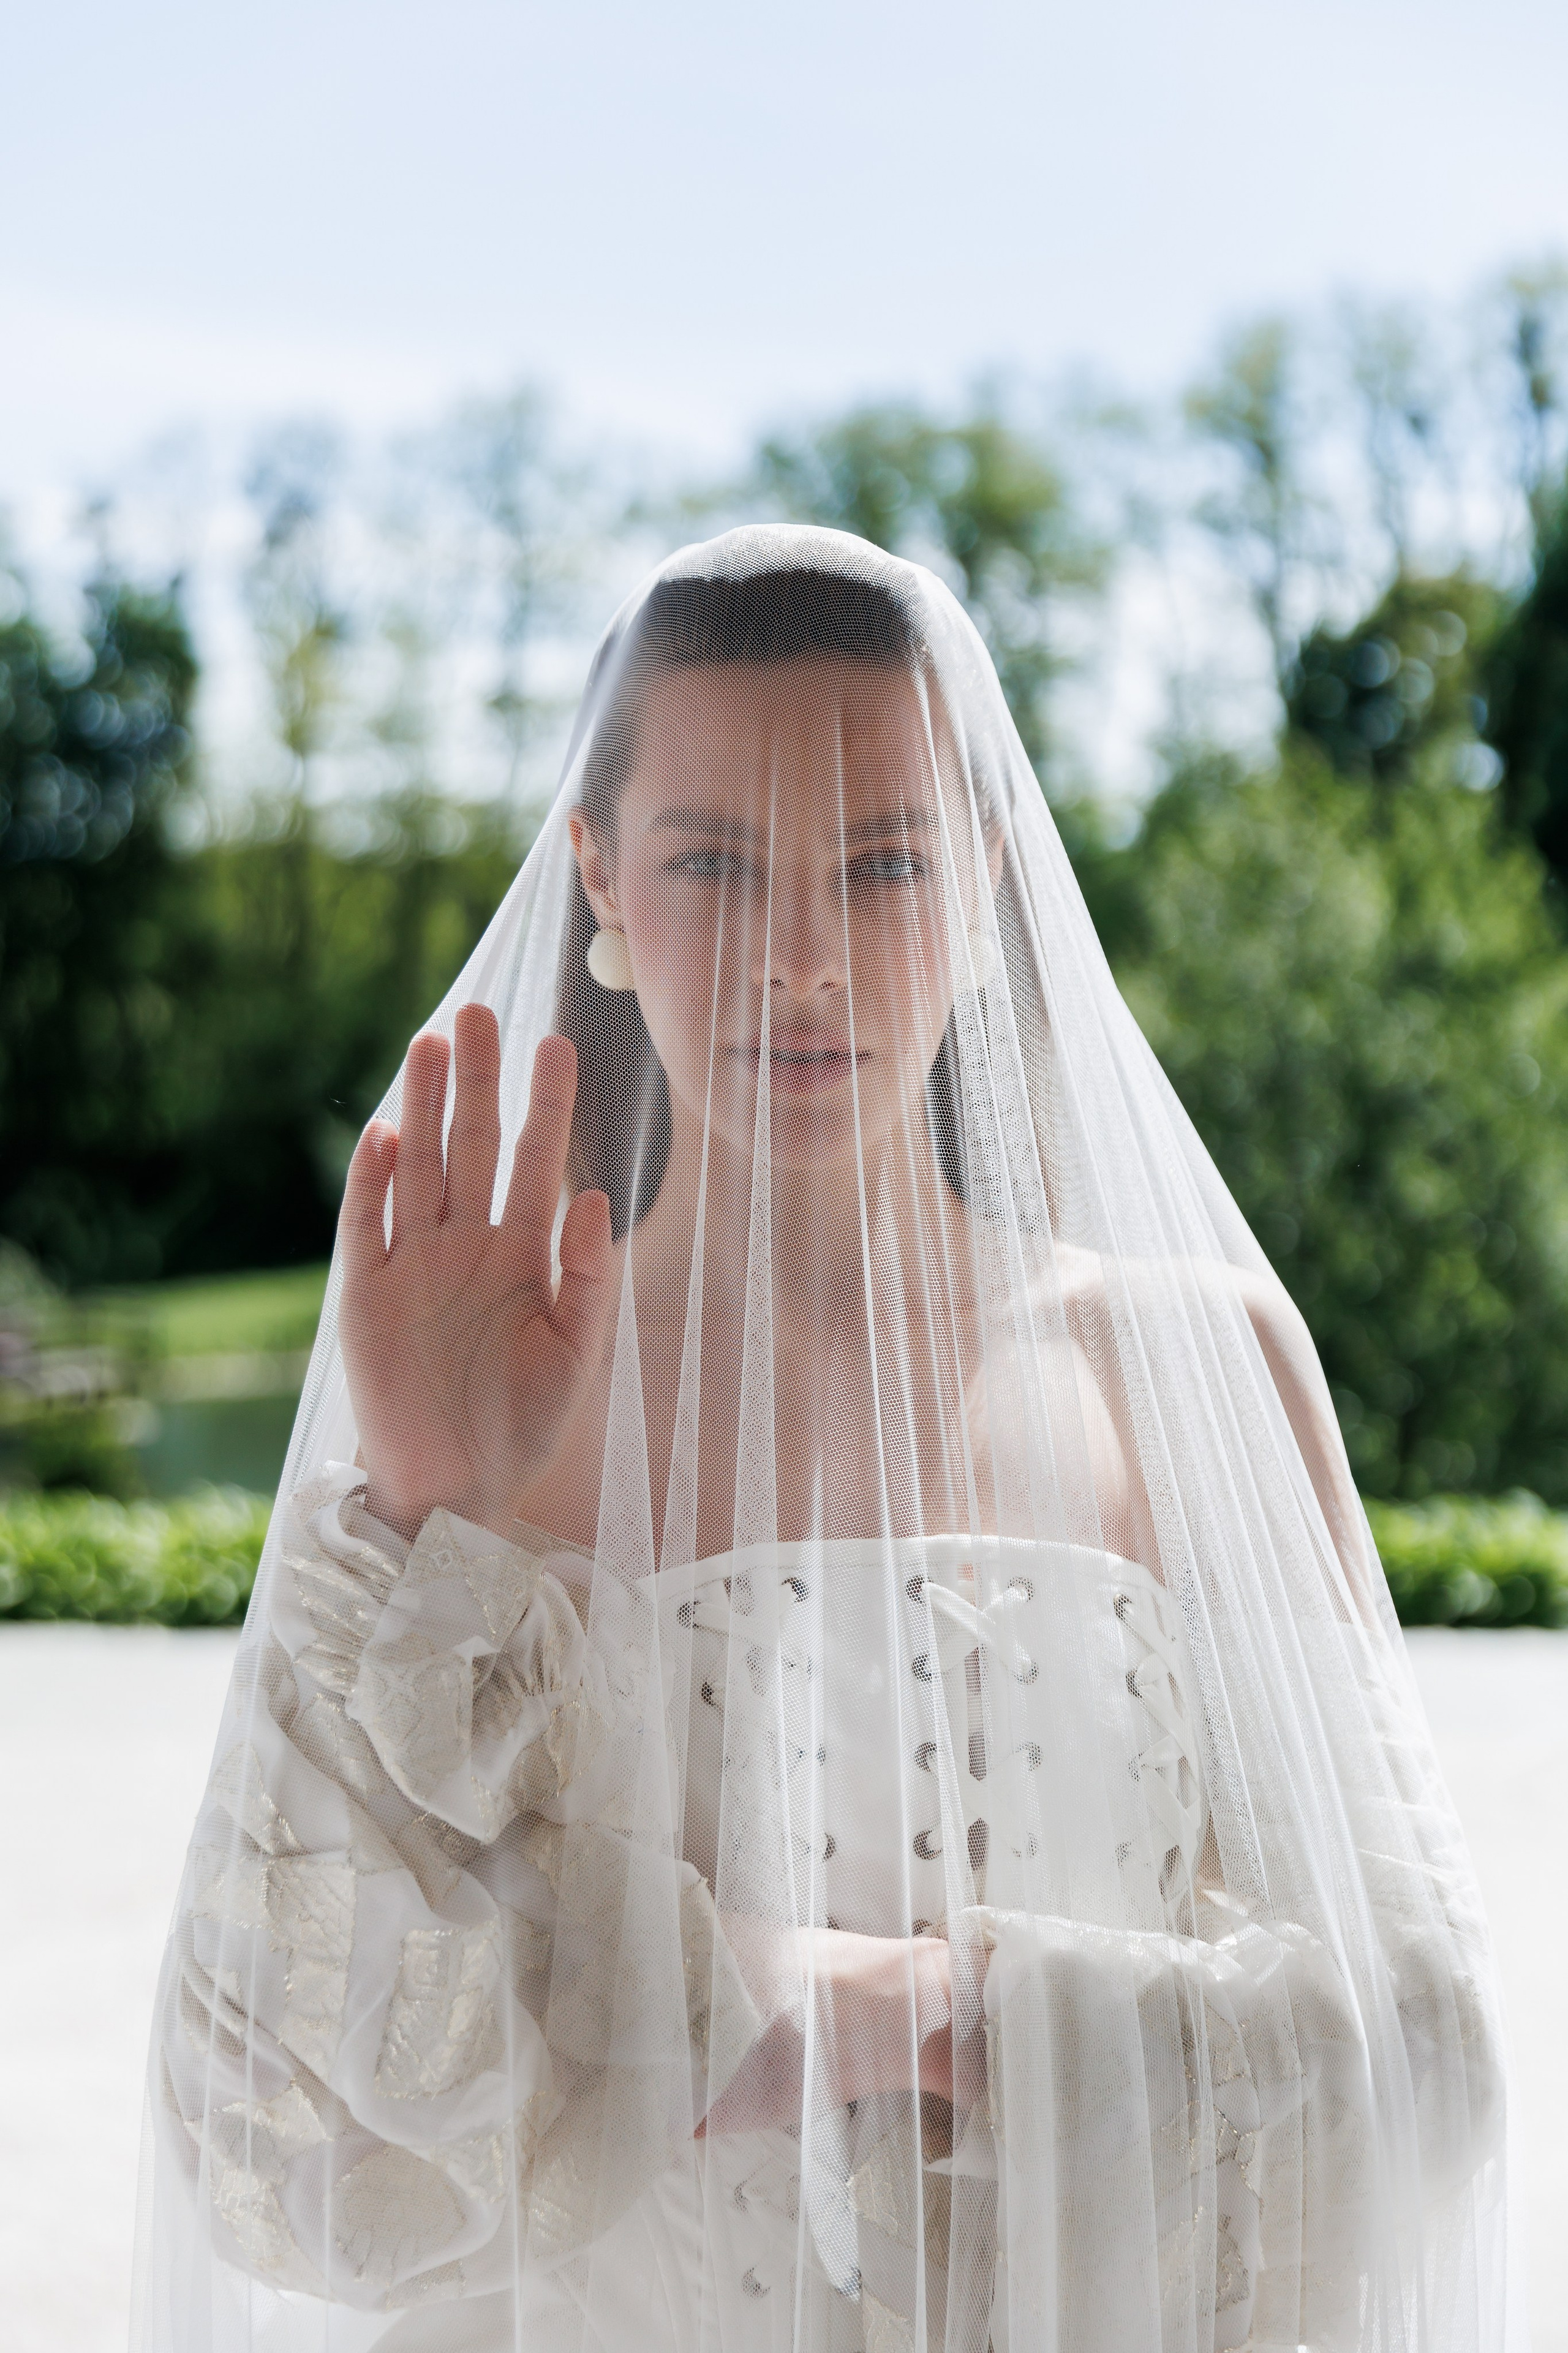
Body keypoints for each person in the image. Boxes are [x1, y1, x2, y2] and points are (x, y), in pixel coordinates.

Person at [135, 527, 1513, 2353]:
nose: (800, 957)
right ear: (599, 882)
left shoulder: (1196, 1363)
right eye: (714, 863)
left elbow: (1434, 2050)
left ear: (986, 881)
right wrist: (426, 1520)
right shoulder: (471, 1405)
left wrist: (925, 2005)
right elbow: (263, 2122)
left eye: (882, 866)